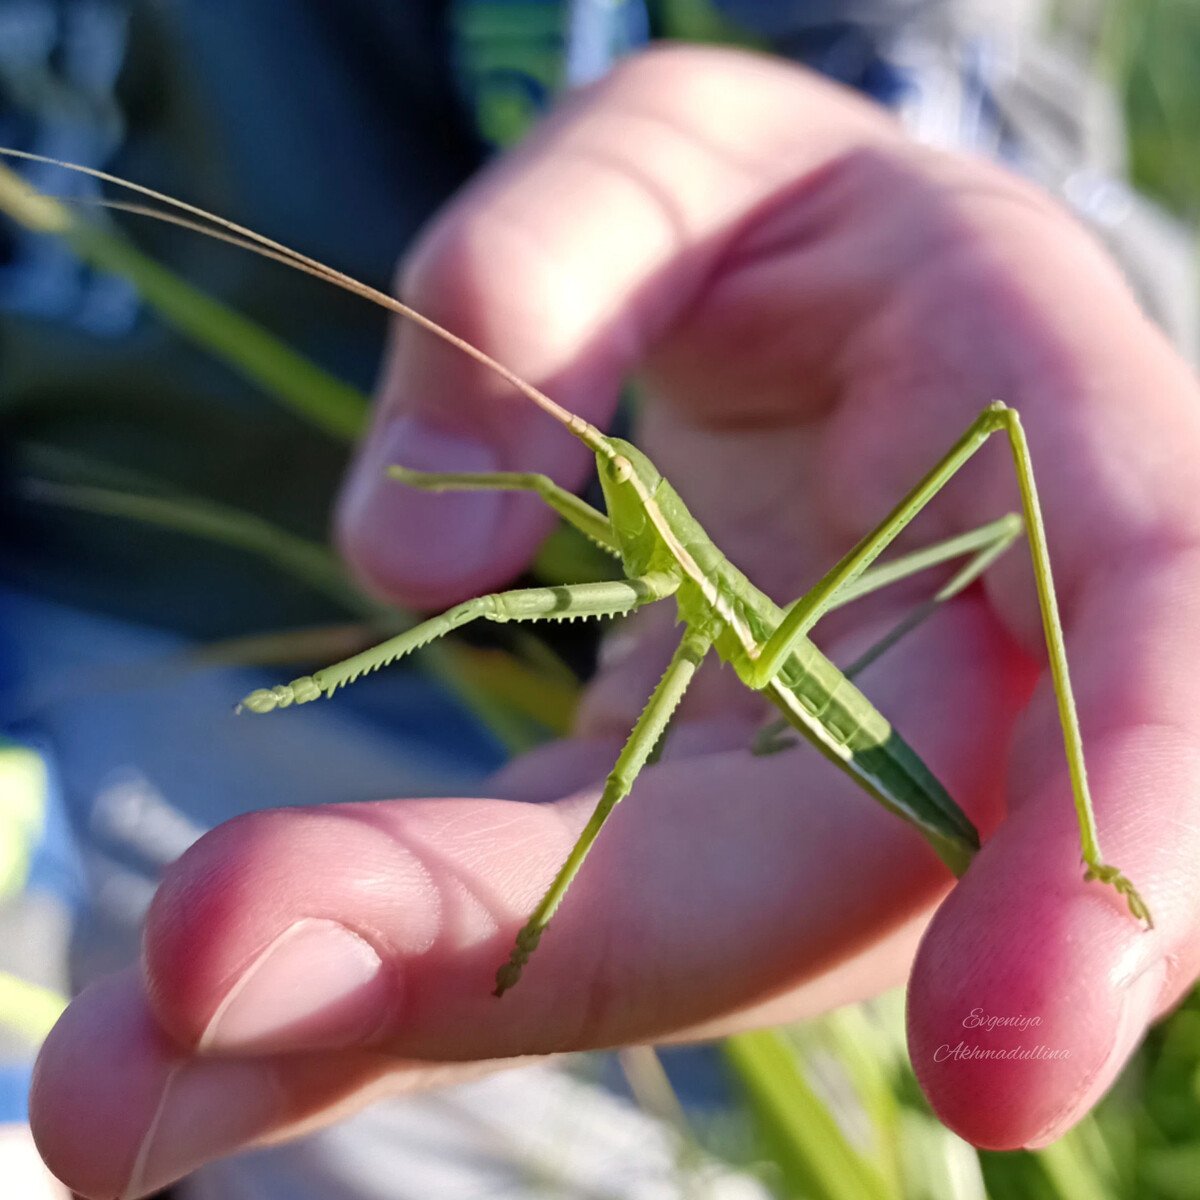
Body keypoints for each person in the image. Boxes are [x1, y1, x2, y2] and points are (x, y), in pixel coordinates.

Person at [6, 6, 1200, 1199]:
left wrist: (927, 158)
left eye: (609, 473)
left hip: (828, 711)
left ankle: (1088, 857)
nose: (600, 476)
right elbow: (550, 487)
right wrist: (453, 474)